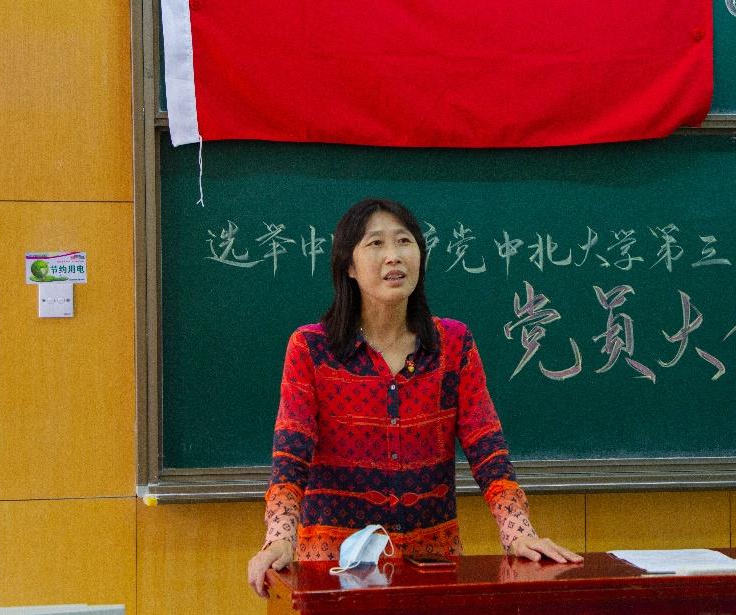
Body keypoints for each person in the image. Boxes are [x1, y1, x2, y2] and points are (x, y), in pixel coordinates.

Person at [248, 198, 582, 597]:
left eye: (404, 241)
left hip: (433, 569)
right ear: (349, 265)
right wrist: (279, 538)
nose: (393, 256)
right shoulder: (311, 348)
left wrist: (518, 533)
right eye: (375, 243)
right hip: (334, 573)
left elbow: (487, 449)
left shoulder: (452, 344)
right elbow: (291, 458)